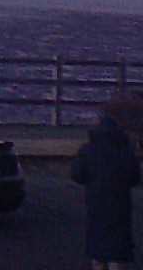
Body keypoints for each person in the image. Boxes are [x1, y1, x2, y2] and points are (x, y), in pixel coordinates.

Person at [72, 113, 141, 269]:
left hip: (96, 202)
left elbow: (77, 175)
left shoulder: (88, 150)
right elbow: (135, 178)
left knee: (97, 247)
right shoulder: (125, 150)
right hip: (120, 203)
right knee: (117, 248)